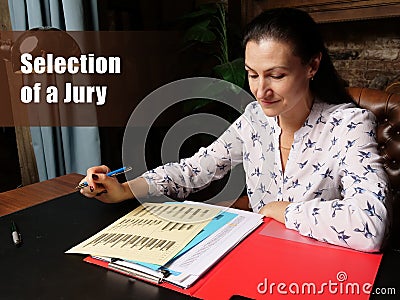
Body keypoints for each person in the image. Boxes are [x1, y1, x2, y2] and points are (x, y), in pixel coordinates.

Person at [80, 8, 389, 252]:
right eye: (252, 75)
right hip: (255, 253)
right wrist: (125, 188)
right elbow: (193, 170)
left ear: (312, 66)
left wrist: (284, 211)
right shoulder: (254, 120)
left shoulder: (348, 125)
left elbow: (370, 224)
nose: (260, 90)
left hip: (320, 266)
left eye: (276, 75)